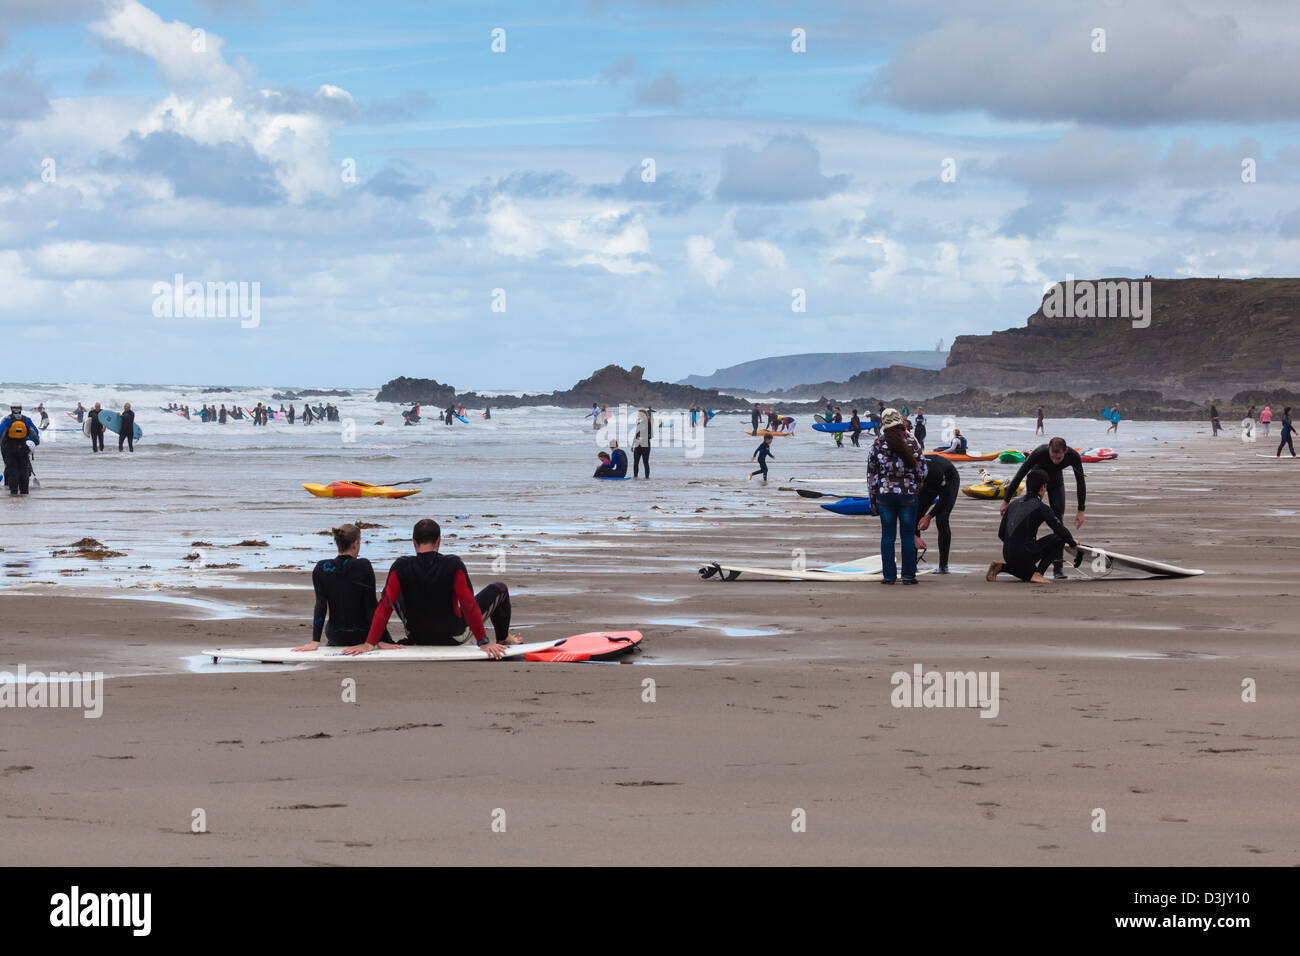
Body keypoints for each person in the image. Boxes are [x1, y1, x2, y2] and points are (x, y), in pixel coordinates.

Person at [343, 519, 519, 658]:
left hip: (417, 636)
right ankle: (503, 637)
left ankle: (396, 636)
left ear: (413, 542)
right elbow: (468, 604)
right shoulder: (453, 564)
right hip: (452, 637)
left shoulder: (400, 566)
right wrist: (483, 641)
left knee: (389, 592)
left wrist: (370, 643)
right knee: (500, 588)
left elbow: (385, 605)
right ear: (439, 541)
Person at [292, 524, 390, 651]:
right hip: (362, 635)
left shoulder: (322, 568)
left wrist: (315, 641)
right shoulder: (363, 566)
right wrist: (380, 640)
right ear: (355, 544)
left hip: (335, 636)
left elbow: (321, 605)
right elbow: (371, 605)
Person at [999, 437, 1086, 579]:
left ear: (1065, 451)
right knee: (1031, 515)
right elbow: (1020, 474)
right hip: (1037, 480)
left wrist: (1081, 509)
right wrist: (1006, 500)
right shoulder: (1039, 453)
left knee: (1058, 519)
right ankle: (1026, 549)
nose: (1055, 461)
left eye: (1059, 458)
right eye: (1052, 457)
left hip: (1056, 482)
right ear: (1049, 450)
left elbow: (1080, 481)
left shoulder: (1073, 456)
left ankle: (1058, 567)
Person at [867, 408, 927, 584]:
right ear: (900, 422)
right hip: (908, 495)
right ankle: (908, 576)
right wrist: (917, 484)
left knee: (887, 537)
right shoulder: (911, 441)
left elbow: (871, 474)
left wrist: (873, 501)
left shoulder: (877, 444)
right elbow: (923, 469)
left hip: (884, 495)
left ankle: (889, 577)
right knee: (908, 536)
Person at [987, 468, 1078, 584]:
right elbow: (1059, 530)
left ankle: (1001, 567)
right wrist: (1072, 542)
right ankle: (1038, 573)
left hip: (1007, 554)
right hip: (1024, 554)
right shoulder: (1041, 507)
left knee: (1027, 574)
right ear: (1043, 487)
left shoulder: (1012, 505)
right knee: (1059, 538)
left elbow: (1001, 534)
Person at [916, 453, 959, 573]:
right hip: (929, 481)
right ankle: (911, 563)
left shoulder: (935, 473)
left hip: (949, 480)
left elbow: (944, 498)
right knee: (916, 517)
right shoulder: (909, 471)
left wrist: (929, 516)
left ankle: (943, 566)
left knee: (942, 518)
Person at [1, 404, 40, 495]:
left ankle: (13, 492)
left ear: (11, 409)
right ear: (21, 409)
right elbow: (35, 433)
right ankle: (24, 492)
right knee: (23, 469)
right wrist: (31, 442)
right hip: (23, 448)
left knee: (12, 469)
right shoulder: (26, 420)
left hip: (10, 449)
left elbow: (0, 432)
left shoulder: (7, 420)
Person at [633, 407, 652, 479]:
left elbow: (650, 435)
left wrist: (642, 438)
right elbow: (636, 435)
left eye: (638, 414)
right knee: (635, 463)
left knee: (645, 462)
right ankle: (635, 477)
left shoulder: (648, 423)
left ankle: (647, 478)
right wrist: (633, 445)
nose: (637, 415)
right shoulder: (639, 423)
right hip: (638, 445)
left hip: (645, 445)